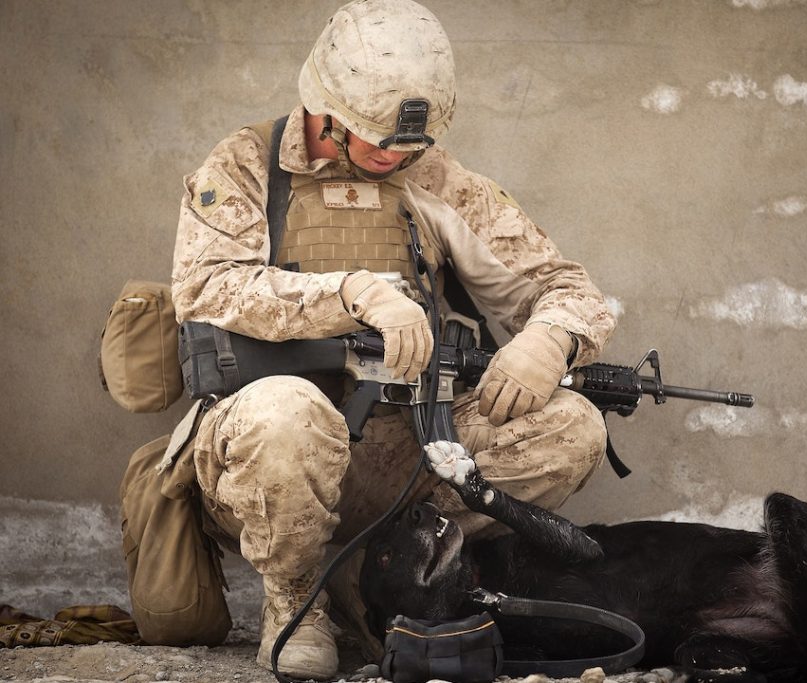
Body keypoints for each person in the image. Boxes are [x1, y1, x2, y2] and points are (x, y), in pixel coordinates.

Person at [167, 0, 615, 679]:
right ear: (324, 108)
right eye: (381, 141)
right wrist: (349, 294)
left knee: (573, 427)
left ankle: (375, 571)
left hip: (400, 451)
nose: (396, 157)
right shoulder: (246, 165)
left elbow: (562, 282)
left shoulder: (433, 179)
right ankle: (295, 598)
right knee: (289, 410)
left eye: (412, 145)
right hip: (260, 455)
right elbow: (204, 288)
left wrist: (551, 337)